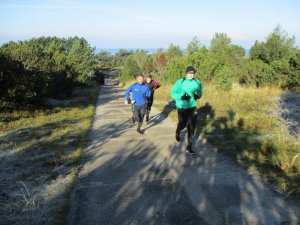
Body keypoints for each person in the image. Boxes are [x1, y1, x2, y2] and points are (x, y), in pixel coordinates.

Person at [170, 66, 204, 155]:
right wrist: (181, 97)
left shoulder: (197, 82)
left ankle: (189, 147)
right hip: (181, 107)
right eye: (189, 73)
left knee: (192, 127)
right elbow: (172, 93)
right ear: (186, 73)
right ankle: (178, 131)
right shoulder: (180, 82)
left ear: (194, 74)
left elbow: (201, 89)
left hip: (192, 107)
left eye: (192, 73)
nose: (190, 75)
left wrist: (198, 95)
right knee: (182, 124)